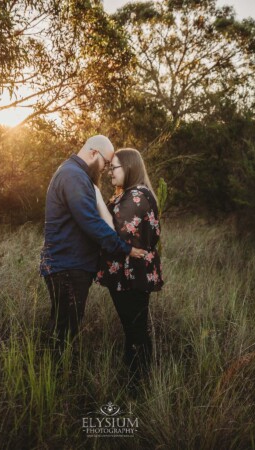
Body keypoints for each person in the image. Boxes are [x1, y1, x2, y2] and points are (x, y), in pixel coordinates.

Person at [39, 135, 146, 350]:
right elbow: (91, 223)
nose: (105, 169)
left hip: (69, 265)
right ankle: (54, 377)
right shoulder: (73, 176)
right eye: (105, 163)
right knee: (64, 331)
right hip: (68, 266)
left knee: (64, 327)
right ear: (93, 153)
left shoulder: (74, 174)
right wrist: (124, 248)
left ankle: (53, 373)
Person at [95, 148, 164, 381]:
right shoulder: (130, 193)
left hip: (133, 274)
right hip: (129, 273)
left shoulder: (137, 196)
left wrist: (95, 195)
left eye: (114, 168)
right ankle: (136, 377)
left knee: (135, 330)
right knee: (133, 328)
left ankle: (139, 383)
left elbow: (112, 230)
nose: (109, 173)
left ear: (129, 167)